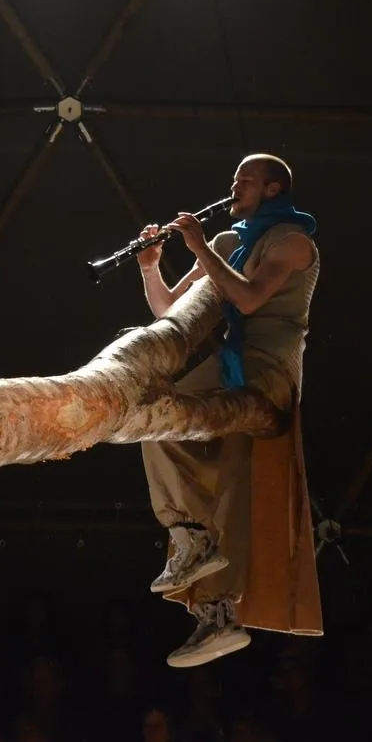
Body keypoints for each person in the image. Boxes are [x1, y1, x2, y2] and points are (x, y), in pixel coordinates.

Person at [136, 153, 324, 668]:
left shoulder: (292, 242)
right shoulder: (227, 243)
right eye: (234, 179)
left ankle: (216, 605)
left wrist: (200, 247)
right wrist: (151, 268)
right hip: (229, 367)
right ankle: (194, 547)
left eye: (246, 180)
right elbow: (169, 312)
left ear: (273, 188)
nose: (234, 187)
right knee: (158, 420)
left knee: (234, 479)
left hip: (270, 372)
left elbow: (247, 299)